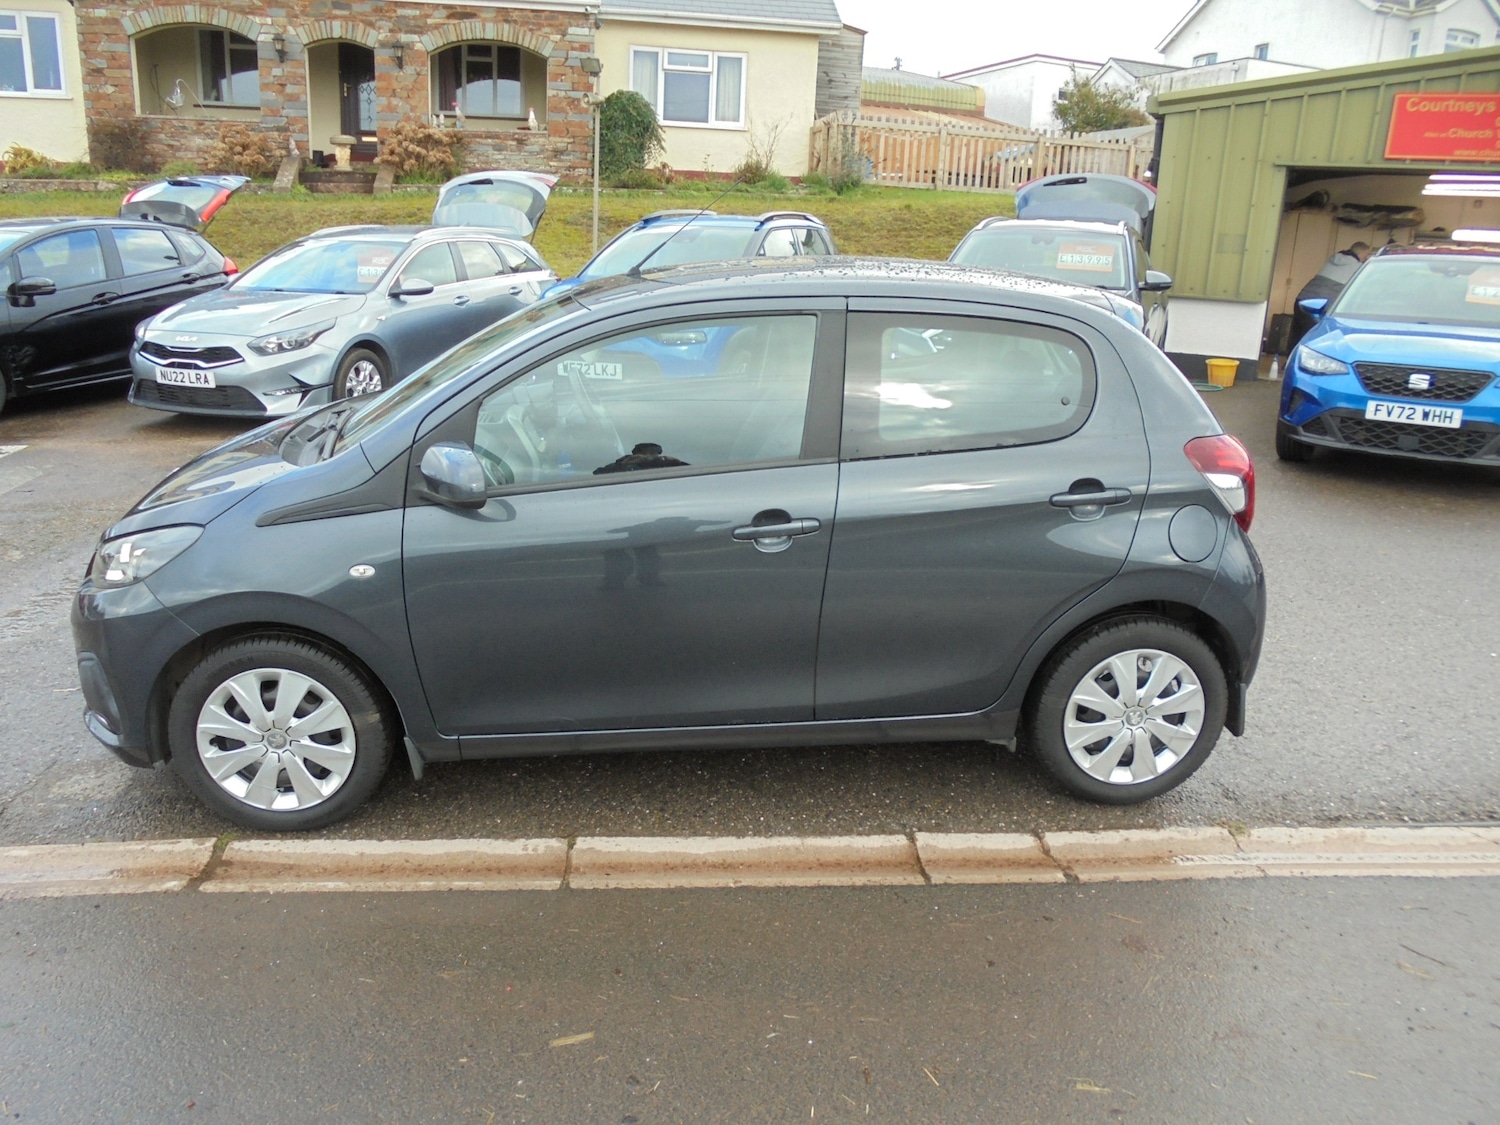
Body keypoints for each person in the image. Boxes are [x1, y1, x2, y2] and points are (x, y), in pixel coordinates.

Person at [1291, 242, 1371, 346]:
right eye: (1366, 255)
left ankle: (1289, 360)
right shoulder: (1357, 267)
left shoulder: (1333, 259)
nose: (1366, 258)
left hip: (1301, 301)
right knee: (1313, 343)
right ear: (1361, 254)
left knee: (1297, 340)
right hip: (1317, 308)